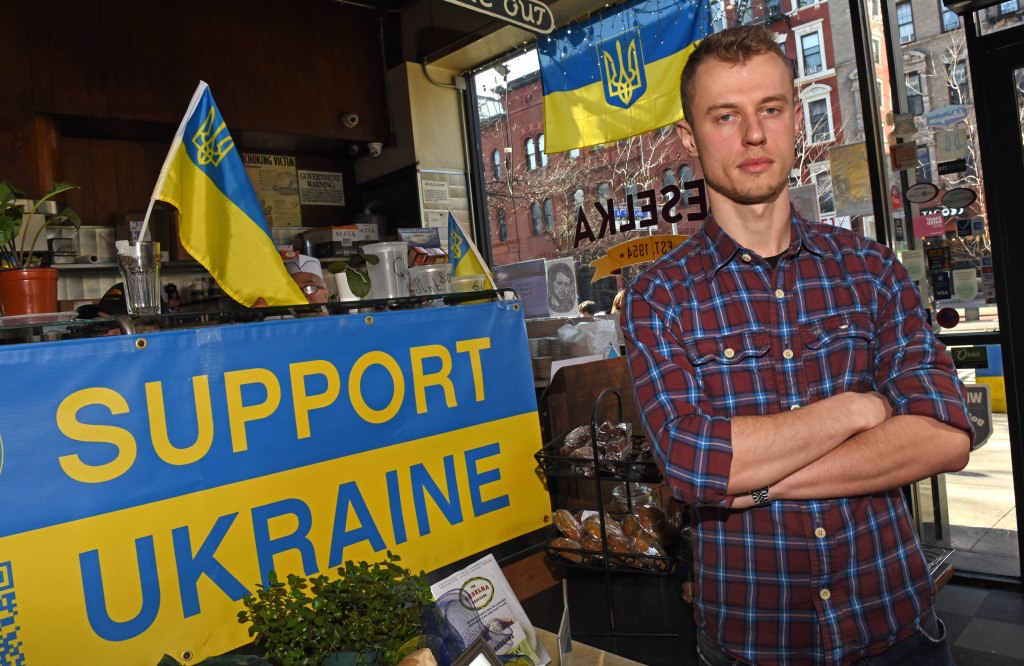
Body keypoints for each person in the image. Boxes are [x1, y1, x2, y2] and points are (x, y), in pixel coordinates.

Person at [622, 25, 973, 666]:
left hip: (897, 633)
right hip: (753, 644)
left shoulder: (872, 271)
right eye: (725, 116)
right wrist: (856, 410)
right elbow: (694, 463)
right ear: (688, 138)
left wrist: (759, 485)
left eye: (771, 110)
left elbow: (946, 435)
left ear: (794, 122)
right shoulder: (657, 297)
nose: (754, 136)